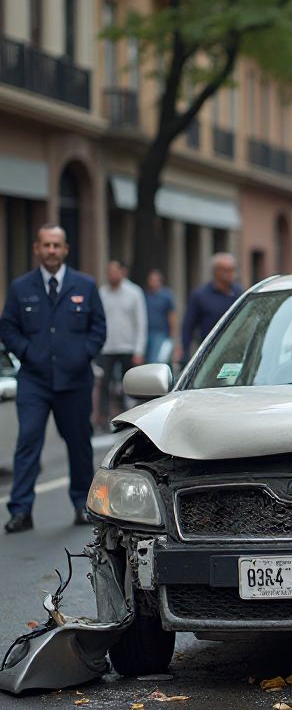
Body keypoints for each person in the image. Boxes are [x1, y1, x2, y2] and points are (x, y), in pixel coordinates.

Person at [0, 224, 106, 533]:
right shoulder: (21, 288)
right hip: (34, 380)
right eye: (46, 245)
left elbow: (98, 328)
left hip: (75, 381)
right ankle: (21, 511)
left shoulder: (84, 286)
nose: (51, 251)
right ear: (37, 249)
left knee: (78, 444)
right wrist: (28, 352)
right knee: (28, 442)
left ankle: (81, 504)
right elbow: (7, 327)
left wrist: (81, 355)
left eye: (56, 245)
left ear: (65, 249)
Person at [97, 261, 147, 427]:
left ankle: (130, 417)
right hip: (107, 346)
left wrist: (139, 350)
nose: (111, 274)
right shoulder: (102, 293)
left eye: (115, 271)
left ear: (123, 272)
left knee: (130, 384)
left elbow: (141, 322)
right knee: (104, 384)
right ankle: (102, 418)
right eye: (109, 271)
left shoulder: (134, 292)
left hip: (128, 347)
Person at [180, 253, 241, 359]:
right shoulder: (200, 295)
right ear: (216, 271)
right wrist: (184, 352)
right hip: (209, 354)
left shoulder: (240, 293)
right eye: (226, 270)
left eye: (233, 270)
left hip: (236, 351)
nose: (231, 274)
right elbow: (188, 326)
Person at [144, 269, 177, 364]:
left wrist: (172, 333)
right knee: (147, 359)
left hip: (161, 332)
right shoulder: (145, 295)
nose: (152, 282)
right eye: (150, 280)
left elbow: (172, 314)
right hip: (147, 331)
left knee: (157, 359)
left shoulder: (166, 295)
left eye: (154, 280)